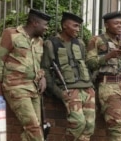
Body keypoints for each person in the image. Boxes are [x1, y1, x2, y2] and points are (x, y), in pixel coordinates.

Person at [0, 9, 51, 141]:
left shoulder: (39, 41)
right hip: (16, 86)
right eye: (45, 24)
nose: (46, 28)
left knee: (35, 128)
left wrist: (42, 77)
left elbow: (36, 64)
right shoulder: (11, 34)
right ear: (35, 23)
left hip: (34, 88)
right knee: (34, 128)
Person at [41, 12, 96, 141]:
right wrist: (58, 92)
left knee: (89, 126)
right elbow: (45, 70)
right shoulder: (50, 44)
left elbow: (84, 65)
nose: (78, 29)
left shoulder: (80, 43)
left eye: (79, 27)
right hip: (70, 90)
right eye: (75, 26)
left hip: (87, 89)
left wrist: (91, 85)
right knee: (77, 123)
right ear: (65, 25)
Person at [86, 11, 121, 141]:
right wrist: (108, 56)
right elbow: (90, 63)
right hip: (108, 85)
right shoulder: (96, 40)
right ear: (107, 25)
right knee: (115, 127)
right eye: (116, 23)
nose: (120, 26)